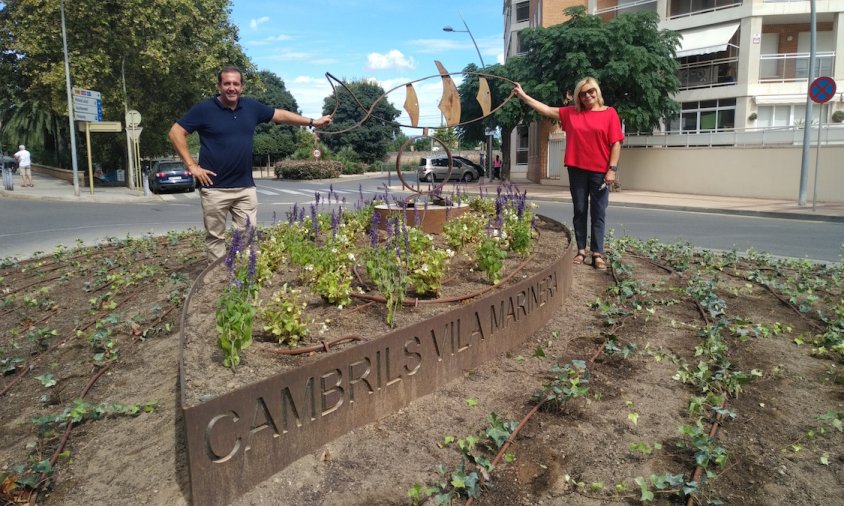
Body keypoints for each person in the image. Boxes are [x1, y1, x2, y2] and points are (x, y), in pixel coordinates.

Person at [169, 65, 332, 262]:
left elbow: (279, 115)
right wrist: (192, 166)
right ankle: (218, 280)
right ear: (219, 85)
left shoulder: (251, 108)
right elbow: (176, 132)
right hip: (214, 188)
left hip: (245, 188)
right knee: (215, 238)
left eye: (235, 84)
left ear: (242, 87)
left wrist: (312, 122)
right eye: (227, 83)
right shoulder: (204, 109)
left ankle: (241, 272)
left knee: (248, 234)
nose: (231, 88)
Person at [514, 77, 623, 271]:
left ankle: (597, 253)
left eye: (591, 91)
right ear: (578, 97)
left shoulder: (610, 113)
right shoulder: (571, 113)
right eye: (582, 94)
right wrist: (523, 96)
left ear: (597, 92)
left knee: (598, 213)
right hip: (577, 169)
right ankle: (581, 250)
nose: (587, 96)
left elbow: (616, 143)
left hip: (600, 172)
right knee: (580, 210)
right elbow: (546, 109)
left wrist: (612, 170)